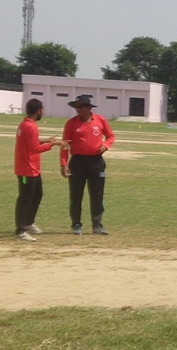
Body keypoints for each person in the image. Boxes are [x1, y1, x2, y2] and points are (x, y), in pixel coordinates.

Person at [59, 94, 115, 235]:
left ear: (89, 107)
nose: (78, 109)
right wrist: (63, 164)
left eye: (81, 106)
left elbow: (110, 136)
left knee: (97, 195)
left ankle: (97, 225)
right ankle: (76, 224)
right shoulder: (71, 123)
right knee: (76, 195)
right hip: (77, 162)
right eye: (76, 107)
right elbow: (64, 145)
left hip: (96, 162)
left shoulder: (100, 120)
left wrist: (105, 146)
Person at [14, 98, 60, 241]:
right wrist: (53, 145)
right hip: (26, 169)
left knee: (37, 195)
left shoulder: (25, 124)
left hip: (32, 169)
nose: (43, 112)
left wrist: (47, 140)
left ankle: (28, 223)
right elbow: (34, 148)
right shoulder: (30, 127)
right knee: (25, 198)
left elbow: (31, 141)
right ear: (38, 111)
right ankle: (20, 230)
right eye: (42, 110)